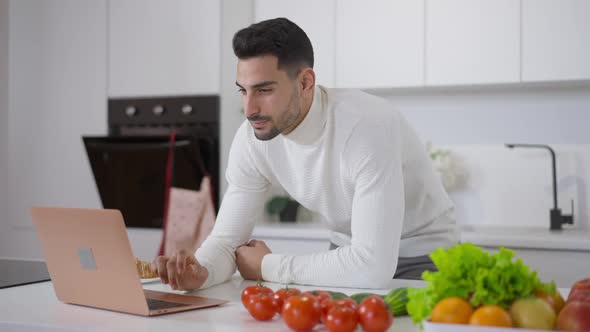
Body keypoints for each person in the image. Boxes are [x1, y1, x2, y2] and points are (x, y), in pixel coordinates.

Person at [153, 17, 458, 290]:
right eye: (243, 91)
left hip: (426, 258)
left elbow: (373, 266)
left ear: (305, 82)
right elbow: (225, 242)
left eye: (264, 90)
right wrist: (201, 272)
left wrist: (267, 266)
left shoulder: (367, 125)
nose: (249, 110)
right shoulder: (253, 139)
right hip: (346, 254)